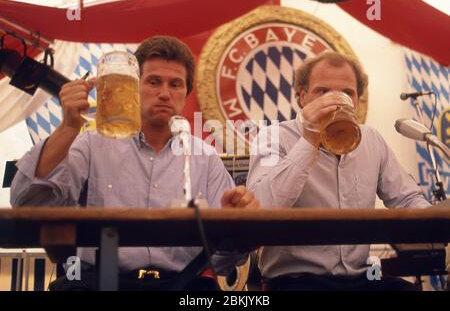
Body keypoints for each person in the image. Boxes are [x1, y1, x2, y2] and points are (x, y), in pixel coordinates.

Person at [10, 35, 259, 291]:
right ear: (134, 86)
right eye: (153, 82)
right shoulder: (90, 144)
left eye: (175, 84)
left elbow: (222, 263)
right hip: (101, 283)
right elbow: (26, 204)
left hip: (182, 284)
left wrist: (239, 228)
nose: (164, 93)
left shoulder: (205, 159)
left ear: (186, 93)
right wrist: (68, 126)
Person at [246, 51, 431, 291]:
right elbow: (260, 210)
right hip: (296, 280)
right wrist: (310, 140)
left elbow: (407, 199)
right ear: (302, 97)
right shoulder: (273, 136)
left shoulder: (372, 139)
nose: (335, 101)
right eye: (322, 92)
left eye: (346, 93)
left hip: (362, 278)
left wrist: (436, 221)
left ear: (356, 100)